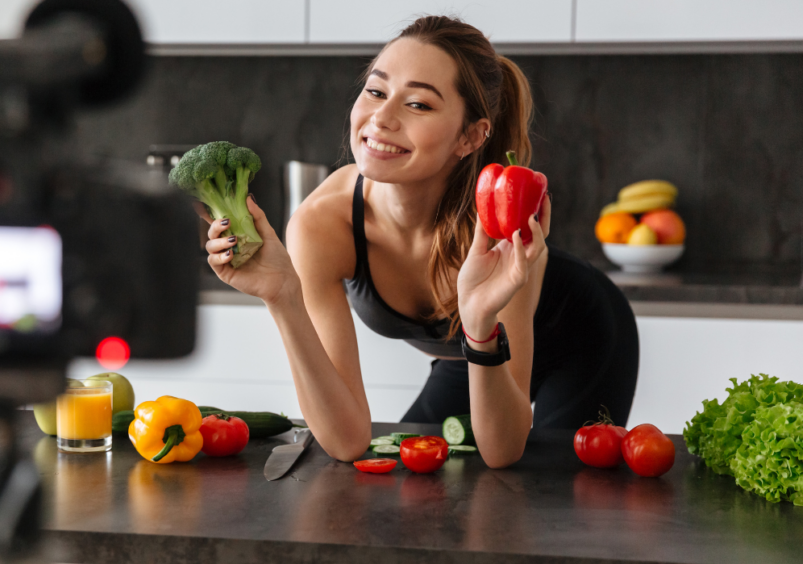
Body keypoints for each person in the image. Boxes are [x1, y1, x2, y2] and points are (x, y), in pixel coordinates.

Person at [200, 16, 638, 468]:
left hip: (578, 334)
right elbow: (348, 442)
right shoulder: (322, 224)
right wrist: (283, 297)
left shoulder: (495, 221)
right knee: (410, 476)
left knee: (551, 490)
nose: (382, 118)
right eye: (375, 91)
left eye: (419, 105)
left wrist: (482, 321)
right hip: (465, 351)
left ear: (469, 136)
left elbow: (502, 451)